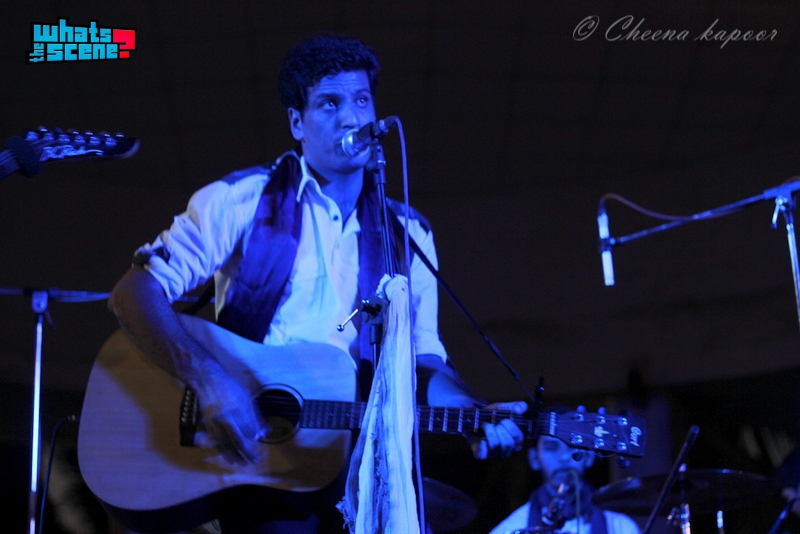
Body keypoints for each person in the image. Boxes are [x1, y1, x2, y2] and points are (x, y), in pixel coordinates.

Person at [108, 33, 526, 533]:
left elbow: (420, 359)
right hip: (259, 462)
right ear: (296, 122)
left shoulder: (408, 235)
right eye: (330, 103)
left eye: (362, 100)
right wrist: (209, 381)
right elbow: (133, 293)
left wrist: (471, 411)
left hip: (358, 468)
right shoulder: (242, 200)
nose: (352, 118)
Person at [489, 432, 640, 534]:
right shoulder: (514, 527)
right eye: (551, 447)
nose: (564, 457)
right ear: (534, 459)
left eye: (573, 446)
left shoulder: (622, 527)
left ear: (589, 456)